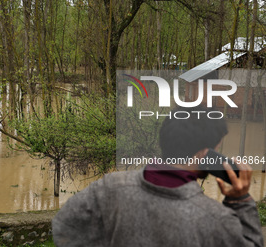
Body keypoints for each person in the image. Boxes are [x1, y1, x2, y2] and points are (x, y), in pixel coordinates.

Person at [52, 105, 264, 247]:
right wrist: (240, 200)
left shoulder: (109, 187)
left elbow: (64, 226)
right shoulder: (215, 219)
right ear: (203, 153)